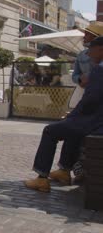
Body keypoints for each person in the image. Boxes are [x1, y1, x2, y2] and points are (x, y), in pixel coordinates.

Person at [24, 36, 103, 193]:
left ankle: (41, 178)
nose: (87, 54)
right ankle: (65, 171)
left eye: (90, 50)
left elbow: (90, 101)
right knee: (71, 130)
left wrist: (72, 116)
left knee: (50, 131)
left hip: (95, 122)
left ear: (101, 49)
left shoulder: (100, 70)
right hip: (97, 121)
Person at [70, 22, 103, 182]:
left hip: (96, 99)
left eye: (88, 34)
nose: (85, 37)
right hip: (84, 95)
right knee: (75, 131)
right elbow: (75, 75)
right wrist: (79, 79)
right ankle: (75, 168)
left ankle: (81, 167)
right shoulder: (81, 55)